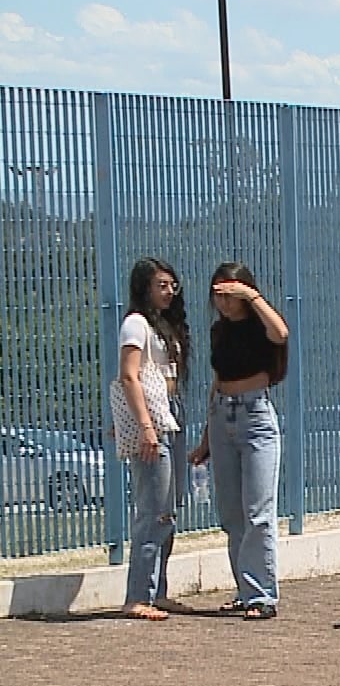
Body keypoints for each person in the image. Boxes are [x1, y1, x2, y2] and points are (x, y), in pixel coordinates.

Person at [187, 262, 288, 620]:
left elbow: (281, 334)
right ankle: (245, 590)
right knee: (232, 513)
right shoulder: (219, 331)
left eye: (229, 295)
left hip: (255, 416)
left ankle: (263, 595)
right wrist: (205, 440)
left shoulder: (261, 325)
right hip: (222, 416)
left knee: (258, 511)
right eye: (218, 295)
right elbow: (217, 381)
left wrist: (252, 297)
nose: (224, 303)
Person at [112, 257, 189, 621]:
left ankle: (158, 590)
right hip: (154, 418)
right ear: (144, 287)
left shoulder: (164, 326)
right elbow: (129, 376)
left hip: (171, 410)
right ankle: (137, 595)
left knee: (170, 508)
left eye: (172, 285)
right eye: (161, 285)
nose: (169, 291)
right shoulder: (135, 324)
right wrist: (145, 426)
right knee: (152, 509)